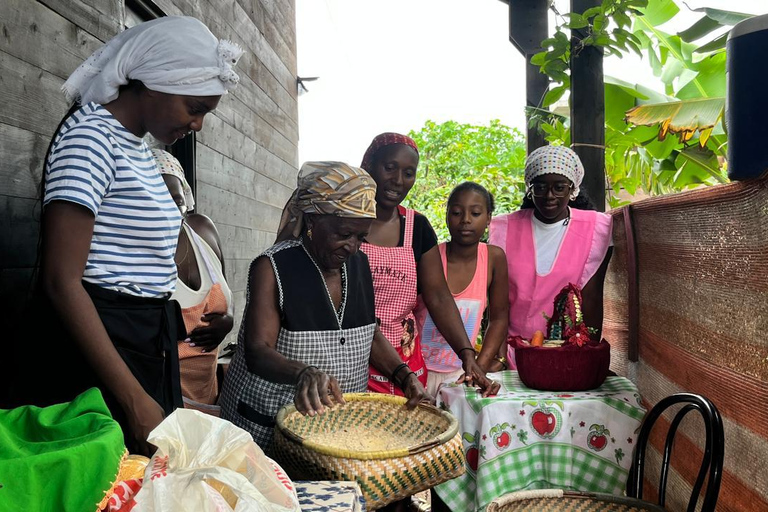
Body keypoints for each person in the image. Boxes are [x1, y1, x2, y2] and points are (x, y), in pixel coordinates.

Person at [21, 16, 243, 455]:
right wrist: (132, 397)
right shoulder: (90, 139)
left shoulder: (138, 149)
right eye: (194, 108)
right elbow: (62, 283)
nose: (197, 125)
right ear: (155, 82)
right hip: (96, 352)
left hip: (140, 342)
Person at [220, 161, 431, 449]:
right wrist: (303, 373)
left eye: (360, 237)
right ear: (312, 221)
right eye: (343, 234)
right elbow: (258, 352)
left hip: (331, 430)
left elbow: (369, 335)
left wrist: (403, 375)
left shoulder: (359, 264)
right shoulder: (274, 267)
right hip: (267, 424)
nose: (353, 246)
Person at [359, 133, 499, 397]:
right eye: (389, 168)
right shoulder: (346, 222)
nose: (398, 180)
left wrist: (467, 355)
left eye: (409, 173)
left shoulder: (417, 227)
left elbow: (437, 295)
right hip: (355, 366)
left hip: (408, 369)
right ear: (369, 166)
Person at [489, 145, 613, 368]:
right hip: (511, 355)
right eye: (540, 187)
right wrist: (498, 357)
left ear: (572, 189)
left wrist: (588, 357)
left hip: (568, 356)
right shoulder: (504, 228)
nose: (549, 196)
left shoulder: (595, 228)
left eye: (559, 187)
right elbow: (497, 305)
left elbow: (592, 299)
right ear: (530, 188)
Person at [155, 149, 234, 414]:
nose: (168, 208)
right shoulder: (140, 253)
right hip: (163, 401)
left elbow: (225, 293)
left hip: (207, 391)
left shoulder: (202, 230)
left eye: (175, 200)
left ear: (186, 199)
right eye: (157, 198)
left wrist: (228, 320)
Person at [414, 182, 510, 396]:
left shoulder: (494, 258)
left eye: (475, 213)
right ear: (447, 215)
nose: (466, 220)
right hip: (418, 373)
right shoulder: (430, 257)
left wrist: (478, 368)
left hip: (462, 374)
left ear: (488, 219)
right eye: (457, 212)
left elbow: (499, 318)